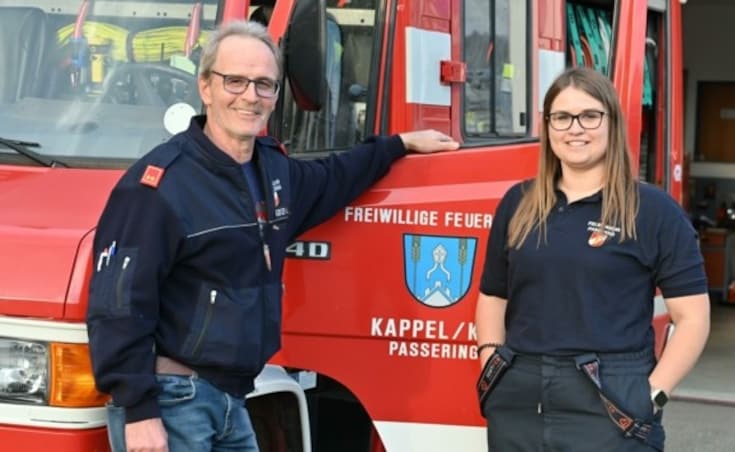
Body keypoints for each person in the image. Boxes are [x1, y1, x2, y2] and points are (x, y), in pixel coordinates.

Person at [87, 20, 458, 452]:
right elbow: (117, 305)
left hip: (235, 398)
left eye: (264, 84)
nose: (250, 96)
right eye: (235, 81)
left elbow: (334, 177)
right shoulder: (159, 186)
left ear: (277, 95)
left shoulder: (272, 170)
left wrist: (397, 145)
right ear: (205, 87)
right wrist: (139, 412)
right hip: (174, 400)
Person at [474, 67, 709, 452]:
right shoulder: (518, 203)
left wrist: (654, 395)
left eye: (589, 116)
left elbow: (693, 318)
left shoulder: (652, 211)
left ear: (611, 122)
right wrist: (491, 365)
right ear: (548, 127)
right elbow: (493, 295)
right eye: (562, 117)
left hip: (611, 393)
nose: (575, 128)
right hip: (519, 394)